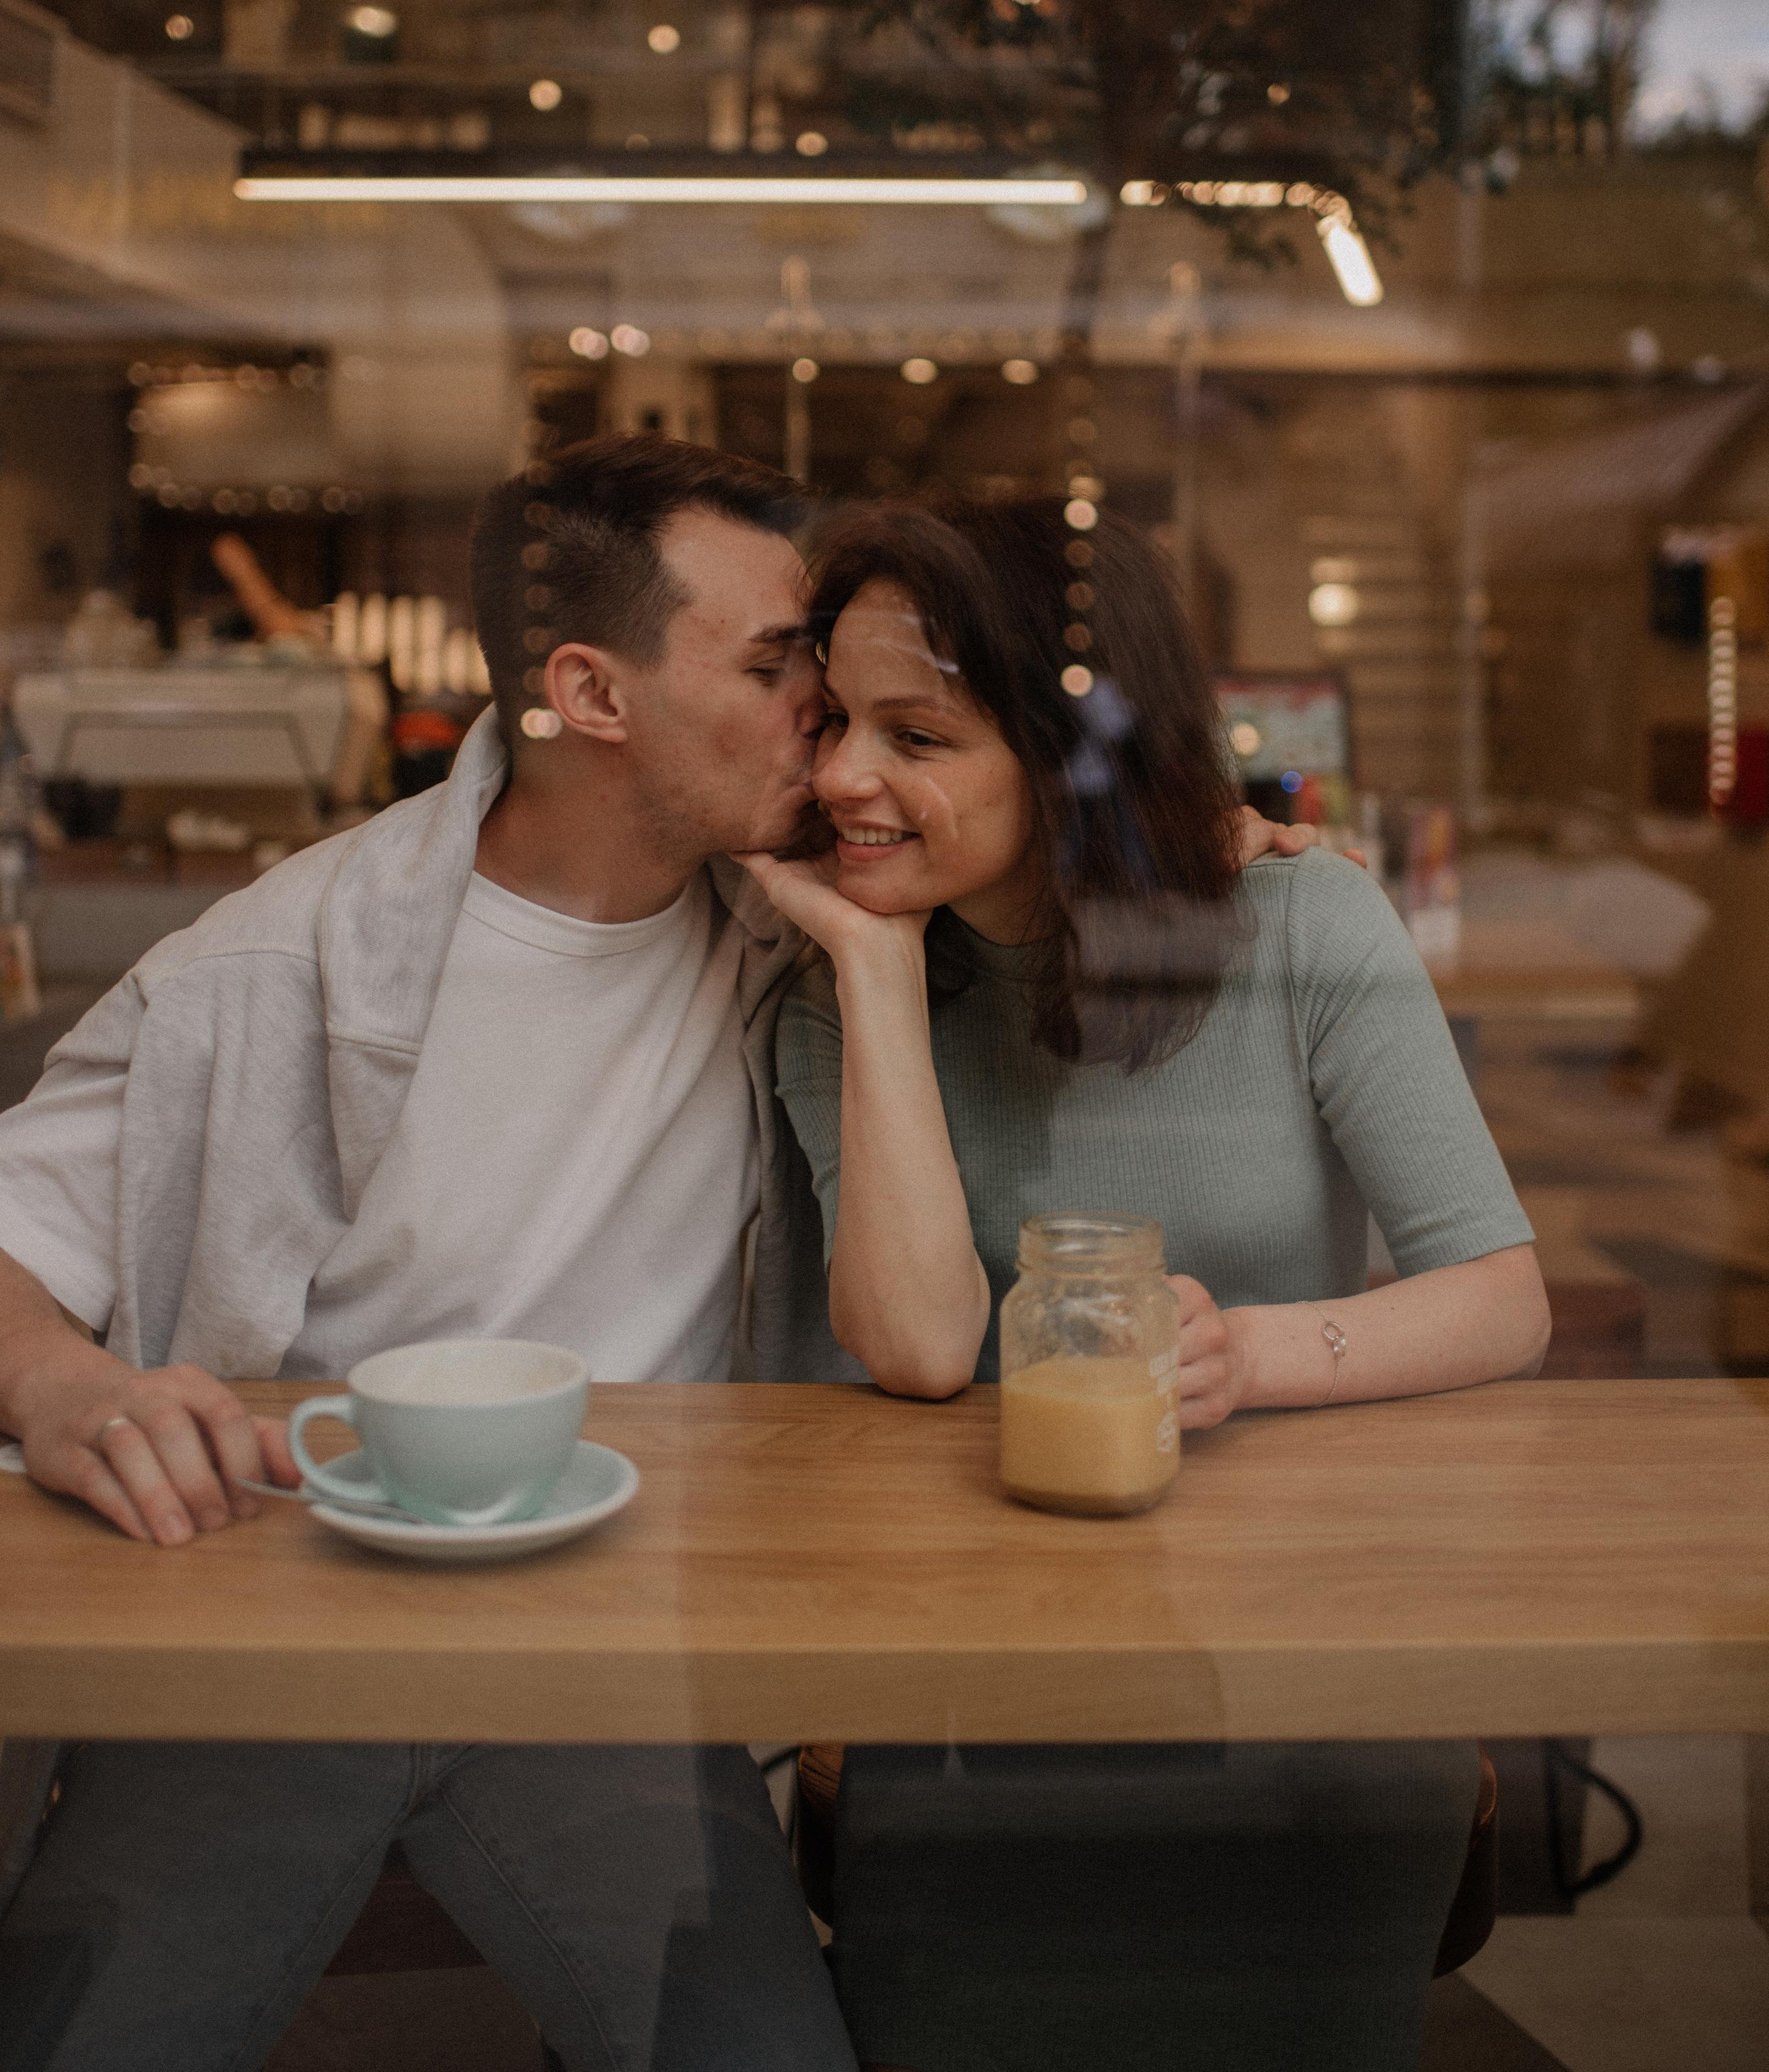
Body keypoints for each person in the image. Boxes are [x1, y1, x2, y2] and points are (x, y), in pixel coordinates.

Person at [0, 436, 858, 2072]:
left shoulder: (798, 932)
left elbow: (1079, 877)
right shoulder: (273, 963)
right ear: (591, 695)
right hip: (284, 1611)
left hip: (609, 1647)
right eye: (771, 662)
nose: (820, 702)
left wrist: (1245, 864)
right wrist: (56, 1379)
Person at [749, 496, 1551, 2072]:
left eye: (916, 734)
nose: (844, 775)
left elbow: (1496, 1295)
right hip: (974, 1685)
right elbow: (919, 1351)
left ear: (1071, 758)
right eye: (832, 720)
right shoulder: (836, 991)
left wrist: (1251, 1356)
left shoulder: (1298, 924)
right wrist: (876, 974)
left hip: (1297, 1660)